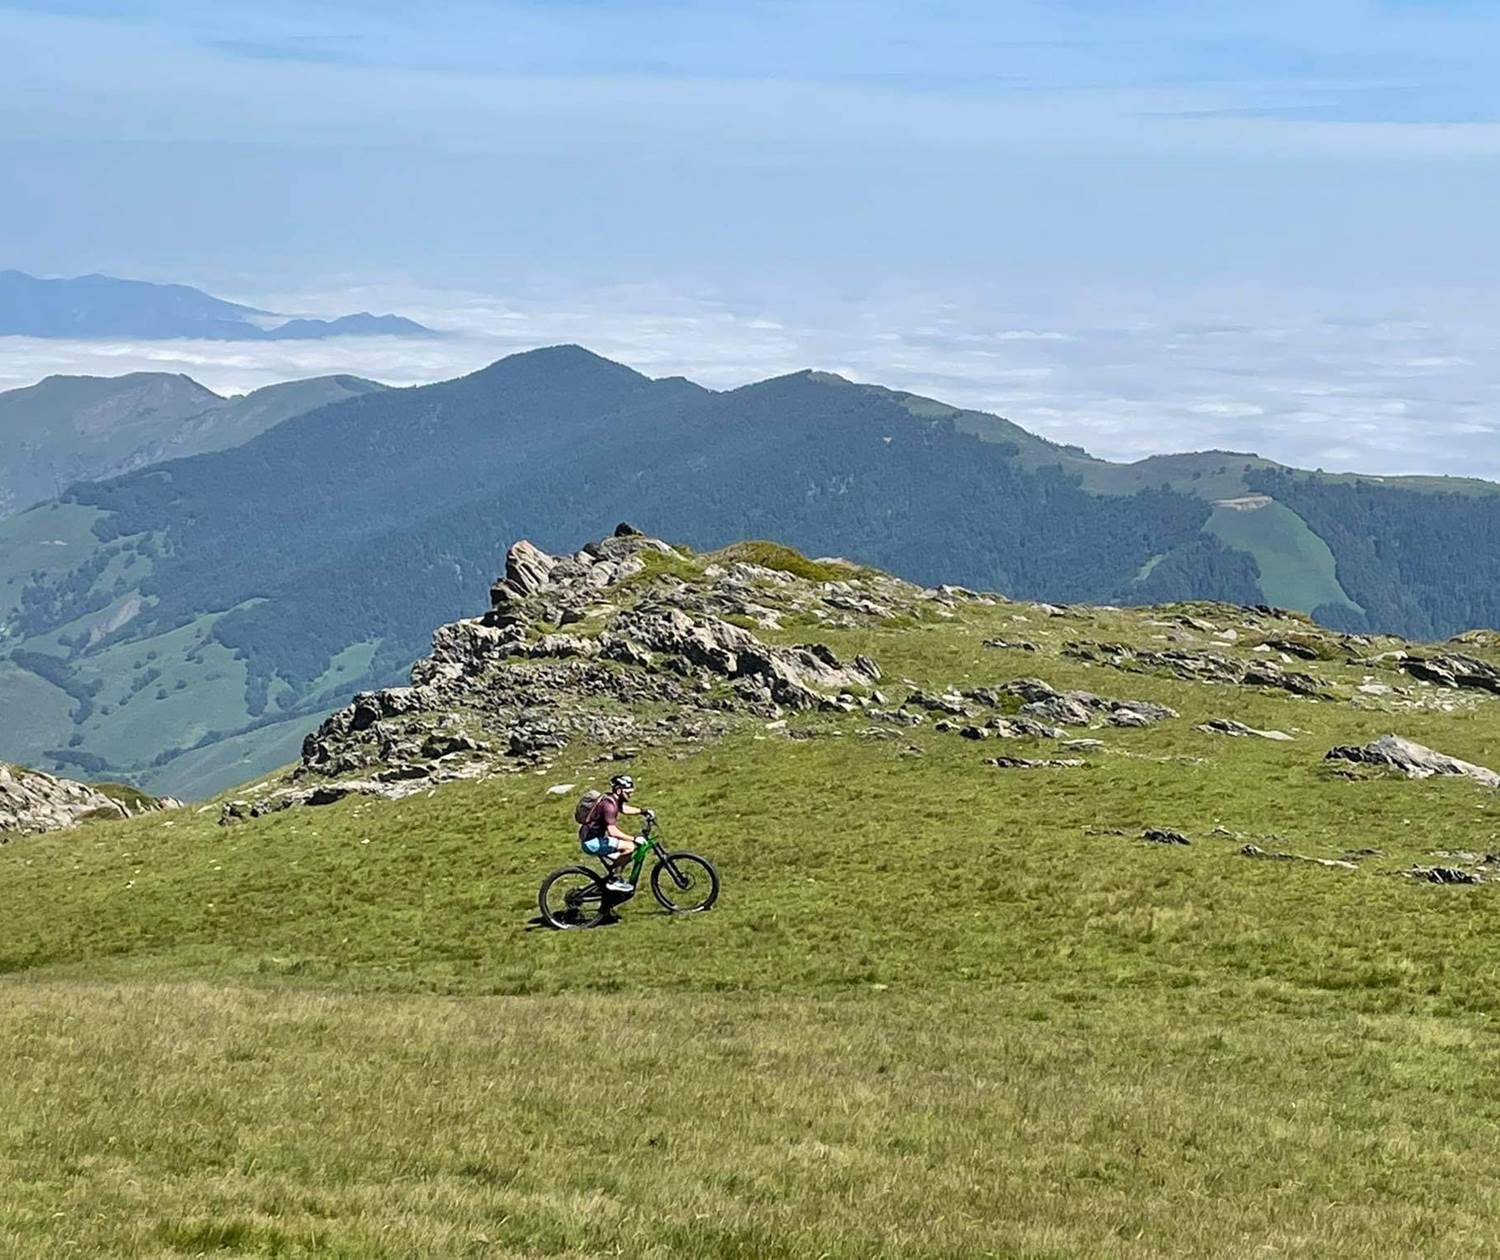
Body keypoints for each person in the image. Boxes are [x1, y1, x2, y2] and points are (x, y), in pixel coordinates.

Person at [580, 774, 649, 893]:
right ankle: (614, 880)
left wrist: (643, 811)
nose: (630, 795)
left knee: (624, 853)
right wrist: (634, 838)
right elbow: (613, 832)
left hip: (593, 838)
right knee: (629, 847)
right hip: (592, 842)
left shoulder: (612, 799)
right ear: (619, 790)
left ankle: (609, 894)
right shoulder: (609, 806)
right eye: (628, 792)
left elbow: (624, 809)